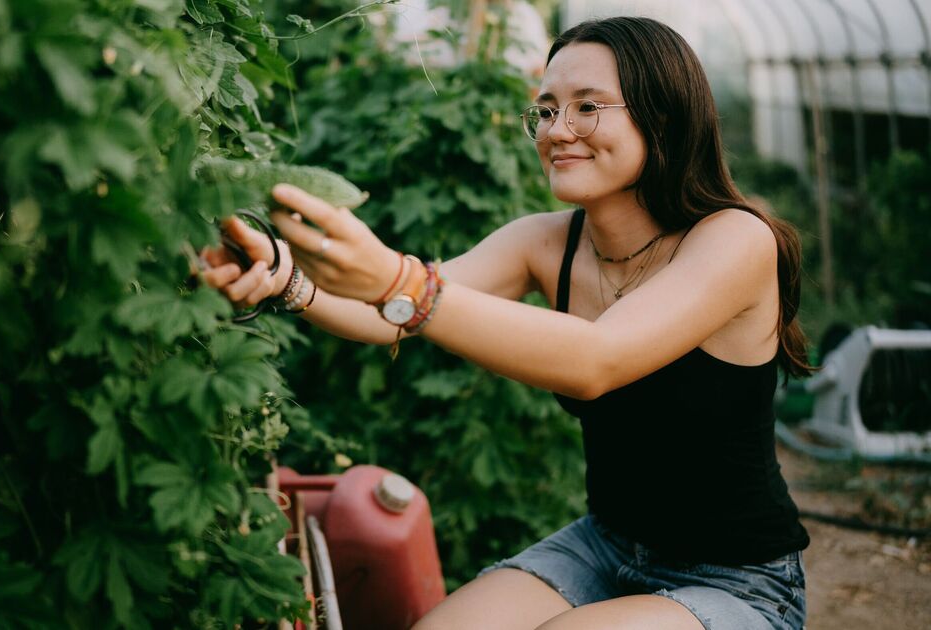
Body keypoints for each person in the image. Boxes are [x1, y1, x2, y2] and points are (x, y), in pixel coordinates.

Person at [200, 16, 811, 630]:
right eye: (546, 111)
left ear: (664, 117)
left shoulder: (735, 239)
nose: (557, 130)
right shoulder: (546, 242)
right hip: (606, 546)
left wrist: (401, 282)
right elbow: (389, 317)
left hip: (737, 579)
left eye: (588, 107)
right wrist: (283, 276)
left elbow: (595, 360)